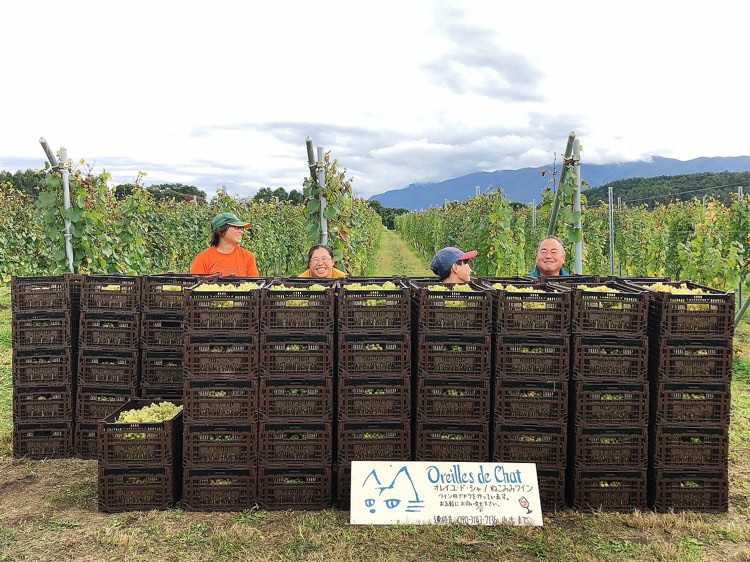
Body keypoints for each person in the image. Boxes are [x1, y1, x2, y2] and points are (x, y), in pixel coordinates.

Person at [190, 212, 259, 276]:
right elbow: (196, 286)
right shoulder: (202, 259)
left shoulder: (247, 257)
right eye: (237, 227)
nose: (241, 231)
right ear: (221, 230)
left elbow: (254, 285)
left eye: (241, 229)